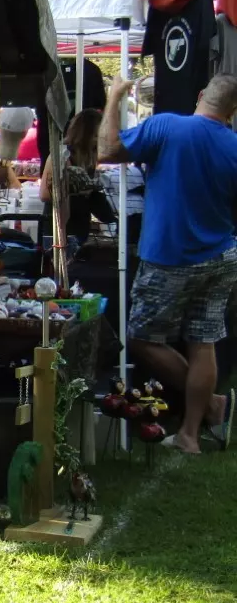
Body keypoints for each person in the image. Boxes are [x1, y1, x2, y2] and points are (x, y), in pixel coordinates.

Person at [99, 73, 237, 454]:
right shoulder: (234, 145)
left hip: (170, 257)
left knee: (142, 338)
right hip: (221, 254)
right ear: (232, 111)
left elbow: (108, 150)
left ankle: (210, 406)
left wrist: (114, 97)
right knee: (203, 341)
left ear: (200, 95)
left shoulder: (168, 126)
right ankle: (192, 432)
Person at [40, 109, 114, 244]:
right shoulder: (61, 155)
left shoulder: (89, 157)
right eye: (98, 134)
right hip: (59, 228)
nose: (102, 138)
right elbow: (45, 194)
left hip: (79, 227)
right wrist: (78, 189)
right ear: (85, 133)